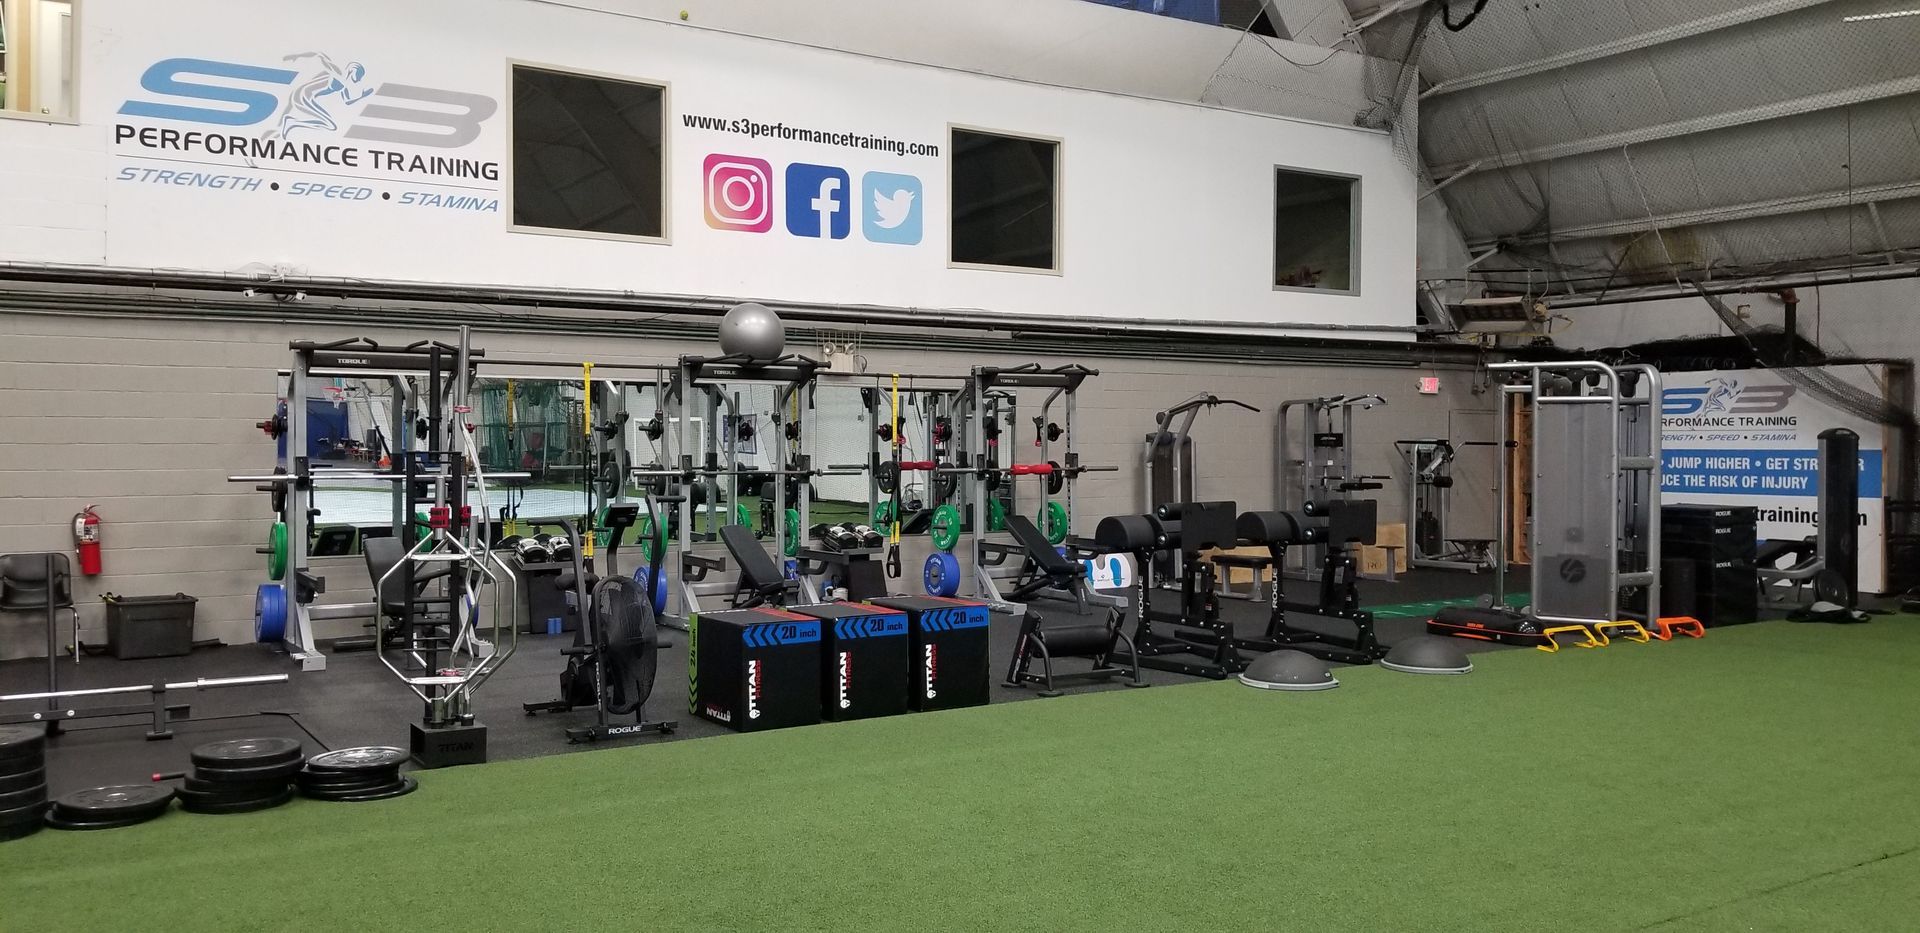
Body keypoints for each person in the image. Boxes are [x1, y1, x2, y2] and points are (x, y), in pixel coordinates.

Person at [266, 52, 373, 140]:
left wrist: (362, 97)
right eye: (359, 75)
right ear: (353, 70)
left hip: (308, 98)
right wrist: (295, 56)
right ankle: (291, 122)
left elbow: (347, 101)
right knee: (330, 125)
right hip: (303, 96)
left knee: (330, 125)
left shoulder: (343, 86)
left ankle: (292, 122)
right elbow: (320, 55)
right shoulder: (336, 71)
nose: (359, 79)